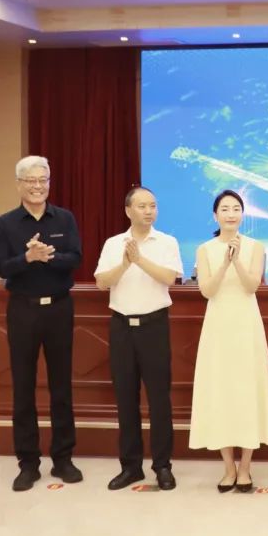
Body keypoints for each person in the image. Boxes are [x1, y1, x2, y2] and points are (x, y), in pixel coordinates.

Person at [0, 155, 83, 492]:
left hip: (59, 308)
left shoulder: (65, 218)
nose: (37, 186)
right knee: (23, 387)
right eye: (31, 180)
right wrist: (26, 258)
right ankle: (28, 463)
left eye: (43, 180)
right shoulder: (6, 223)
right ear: (19, 184)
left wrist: (49, 256)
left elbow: (76, 258)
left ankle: (63, 458)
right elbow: (2, 267)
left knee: (61, 386)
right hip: (23, 310)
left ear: (49, 182)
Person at [189, 189, 268, 492]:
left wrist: (237, 261)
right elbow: (207, 291)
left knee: (247, 390)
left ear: (243, 214)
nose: (231, 214)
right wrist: (224, 263)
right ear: (215, 215)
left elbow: (252, 286)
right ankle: (228, 467)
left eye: (236, 208)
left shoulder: (255, 246)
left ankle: (246, 468)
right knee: (220, 391)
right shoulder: (205, 249)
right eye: (225, 209)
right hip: (218, 326)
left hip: (246, 325)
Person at [94, 186, 183, 491]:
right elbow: (101, 282)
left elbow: (170, 278)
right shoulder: (113, 243)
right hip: (121, 327)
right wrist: (125, 262)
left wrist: (139, 259)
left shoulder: (167, 241)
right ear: (128, 210)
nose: (149, 211)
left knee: (159, 399)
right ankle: (130, 467)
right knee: (125, 399)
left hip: (154, 326)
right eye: (142, 206)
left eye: (153, 205)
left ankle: (162, 466)